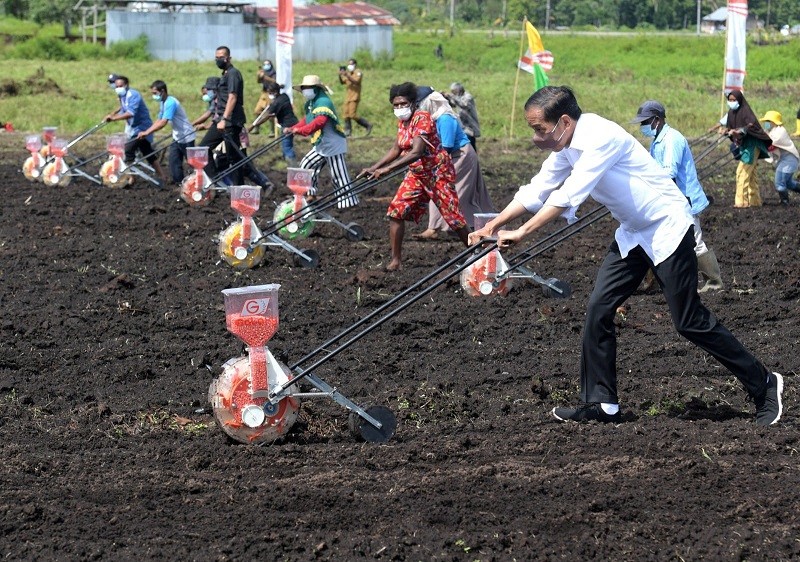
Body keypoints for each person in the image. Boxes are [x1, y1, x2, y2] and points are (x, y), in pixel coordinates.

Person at [470, 86, 783, 426]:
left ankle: (764, 383)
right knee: (599, 309)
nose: (537, 137)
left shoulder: (600, 135)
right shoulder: (567, 145)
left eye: (539, 129)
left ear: (562, 121)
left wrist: (523, 232)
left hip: (667, 226)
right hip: (634, 233)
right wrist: (496, 224)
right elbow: (538, 188)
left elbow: (569, 194)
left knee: (688, 321)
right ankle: (602, 404)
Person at [359, 82, 470, 272]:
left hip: (437, 173)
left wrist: (387, 170)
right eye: (396, 105)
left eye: (403, 104)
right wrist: (374, 167)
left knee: (453, 217)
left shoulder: (422, 118)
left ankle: (477, 252)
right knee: (396, 211)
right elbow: (397, 148)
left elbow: (416, 152)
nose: (400, 108)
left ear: (412, 103)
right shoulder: (403, 122)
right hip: (417, 174)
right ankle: (395, 261)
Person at [631, 100, 722, 292]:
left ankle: (714, 283)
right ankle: (653, 283)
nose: (642, 127)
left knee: (695, 242)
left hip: (685, 199)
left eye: (644, 122)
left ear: (656, 120)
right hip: (668, 199)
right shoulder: (657, 140)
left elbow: (669, 171)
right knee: (655, 238)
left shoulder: (672, 139)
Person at [415, 86, 495, 239]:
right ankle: (439, 227)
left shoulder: (445, 118)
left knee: (454, 192)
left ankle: (448, 227)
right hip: (449, 156)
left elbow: (446, 146)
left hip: (460, 156)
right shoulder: (435, 118)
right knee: (443, 190)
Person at [285, 75, 358, 209]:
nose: (305, 90)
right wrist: (293, 128)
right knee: (307, 164)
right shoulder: (311, 103)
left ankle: (348, 203)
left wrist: (301, 131)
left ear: (316, 89)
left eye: (308, 88)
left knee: (338, 175)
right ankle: (311, 194)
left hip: (333, 144)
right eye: (304, 88)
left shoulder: (324, 102)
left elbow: (319, 122)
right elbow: (307, 120)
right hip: (321, 144)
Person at [104, 75, 167, 186]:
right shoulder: (122, 95)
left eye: (121, 86)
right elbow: (123, 110)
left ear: (127, 85)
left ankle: (130, 178)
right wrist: (112, 115)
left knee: (127, 150)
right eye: (117, 86)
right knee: (147, 151)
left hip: (142, 127)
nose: (118, 88)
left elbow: (130, 113)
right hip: (133, 128)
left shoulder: (134, 95)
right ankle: (162, 176)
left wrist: (114, 119)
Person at [198, 46, 246, 185]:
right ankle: (216, 181)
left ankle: (239, 190)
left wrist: (224, 119)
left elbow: (233, 97)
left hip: (230, 121)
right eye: (216, 57)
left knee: (234, 158)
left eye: (221, 57)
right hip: (221, 120)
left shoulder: (233, 74)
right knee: (203, 148)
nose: (219, 60)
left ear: (229, 58)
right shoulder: (225, 74)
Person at [136, 80, 196, 186]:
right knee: (174, 161)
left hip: (187, 135)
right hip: (177, 136)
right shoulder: (163, 103)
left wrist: (147, 132)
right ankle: (179, 184)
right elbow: (159, 120)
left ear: (162, 91)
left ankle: (201, 182)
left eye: (155, 93)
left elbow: (163, 122)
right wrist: (147, 131)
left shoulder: (171, 102)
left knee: (192, 163)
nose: (154, 96)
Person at [720, 91, 772, 208]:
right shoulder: (732, 113)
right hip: (745, 145)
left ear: (739, 100)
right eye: (730, 100)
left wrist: (738, 131)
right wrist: (727, 132)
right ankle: (755, 201)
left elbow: (750, 126)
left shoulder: (746, 112)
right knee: (751, 174)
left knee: (741, 173)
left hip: (752, 145)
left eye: (734, 100)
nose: (732, 102)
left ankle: (741, 202)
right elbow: (731, 128)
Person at [248, 81, 298, 165]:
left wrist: (254, 126)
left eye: (270, 92)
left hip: (287, 126)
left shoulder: (276, 103)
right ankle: (287, 162)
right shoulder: (284, 96)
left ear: (274, 92)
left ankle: (293, 166)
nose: (269, 94)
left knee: (287, 146)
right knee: (286, 144)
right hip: (293, 122)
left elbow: (266, 116)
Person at [759, 110, 800, 206]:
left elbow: (771, 146)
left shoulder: (780, 132)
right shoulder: (771, 131)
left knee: (779, 182)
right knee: (789, 183)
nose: (766, 123)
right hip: (784, 160)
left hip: (789, 161)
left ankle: (784, 202)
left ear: (774, 122)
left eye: (768, 121)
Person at [338, 58, 372, 137]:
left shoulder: (358, 72)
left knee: (352, 114)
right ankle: (348, 131)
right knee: (346, 114)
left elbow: (356, 81)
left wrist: (347, 75)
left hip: (354, 96)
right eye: (348, 64)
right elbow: (342, 82)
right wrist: (340, 75)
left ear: (355, 64)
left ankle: (367, 125)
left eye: (351, 64)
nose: (350, 66)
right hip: (348, 97)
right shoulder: (349, 73)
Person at [444, 82, 480, 151]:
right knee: (467, 147)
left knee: (470, 147)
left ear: (459, 90)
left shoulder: (468, 97)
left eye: (454, 91)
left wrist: (451, 96)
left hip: (470, 127)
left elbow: (464, 105)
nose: (453, 93)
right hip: (463, 126)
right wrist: (446, 98)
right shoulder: (458, 97)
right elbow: (452, 104)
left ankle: (473, 160)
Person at [252, 60, 277, 135]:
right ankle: (256, 128)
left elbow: (275, 81)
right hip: (264, 93)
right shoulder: (263, 72)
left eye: (267, 64)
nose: (266, 66)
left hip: (271, 93)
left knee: (270, 112)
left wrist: (265, 77)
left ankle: (272, 131)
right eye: (264, 64)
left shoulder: (274, 73)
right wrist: (259, 75)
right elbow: (259, 81)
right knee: (257, 110)